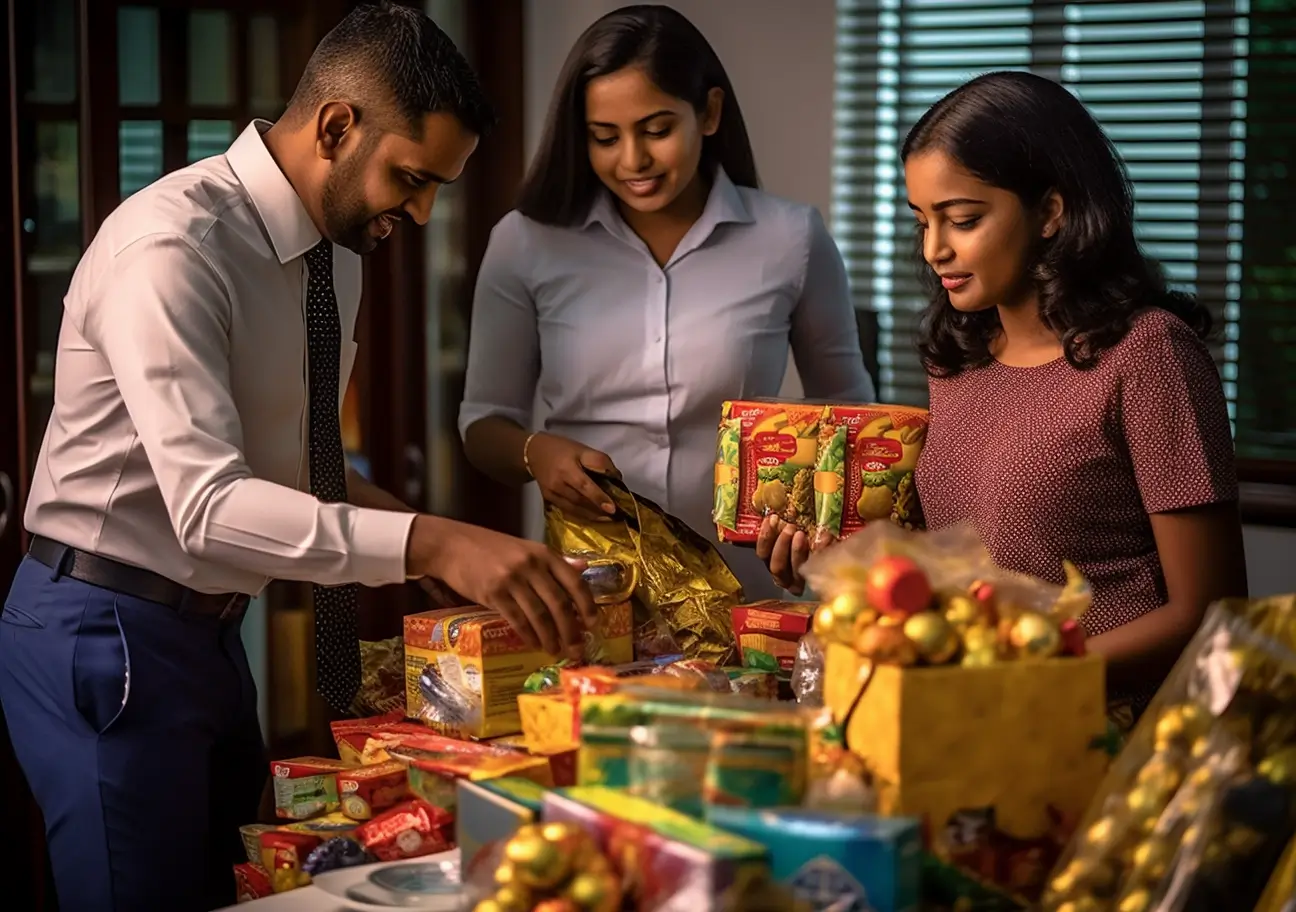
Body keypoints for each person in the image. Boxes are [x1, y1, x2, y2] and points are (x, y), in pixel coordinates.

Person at [0, 5, 596, 910]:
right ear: (335, 126)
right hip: (104, 626)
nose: (424, 211)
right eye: (411, 177)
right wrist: (431, 543)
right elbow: (207, 505)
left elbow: (296, 473)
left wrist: (432, 543)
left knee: (236, 894)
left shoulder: (336, 254)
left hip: (206, 628)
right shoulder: (174, 248)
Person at [761, 71, 1248, 721]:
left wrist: (1025, 675)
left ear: (1051, 211)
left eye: (962, 219)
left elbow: (1209, 610)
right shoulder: (957, 362)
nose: (936, 249)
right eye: (922, 221)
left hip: (1110, 738)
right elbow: (957, 587)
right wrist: (833, 577)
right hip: (975, 725)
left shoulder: (1150, 353)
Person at [459, 4, 874, 601]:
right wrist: (536, 451)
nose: (633, 162)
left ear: (708, 113)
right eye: (605, 137)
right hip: (592, 592)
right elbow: (482, 425)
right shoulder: (525, 243)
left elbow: (848, 414)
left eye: (656, 130)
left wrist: (819, 529)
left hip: (749, 589)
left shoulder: (791, 239)